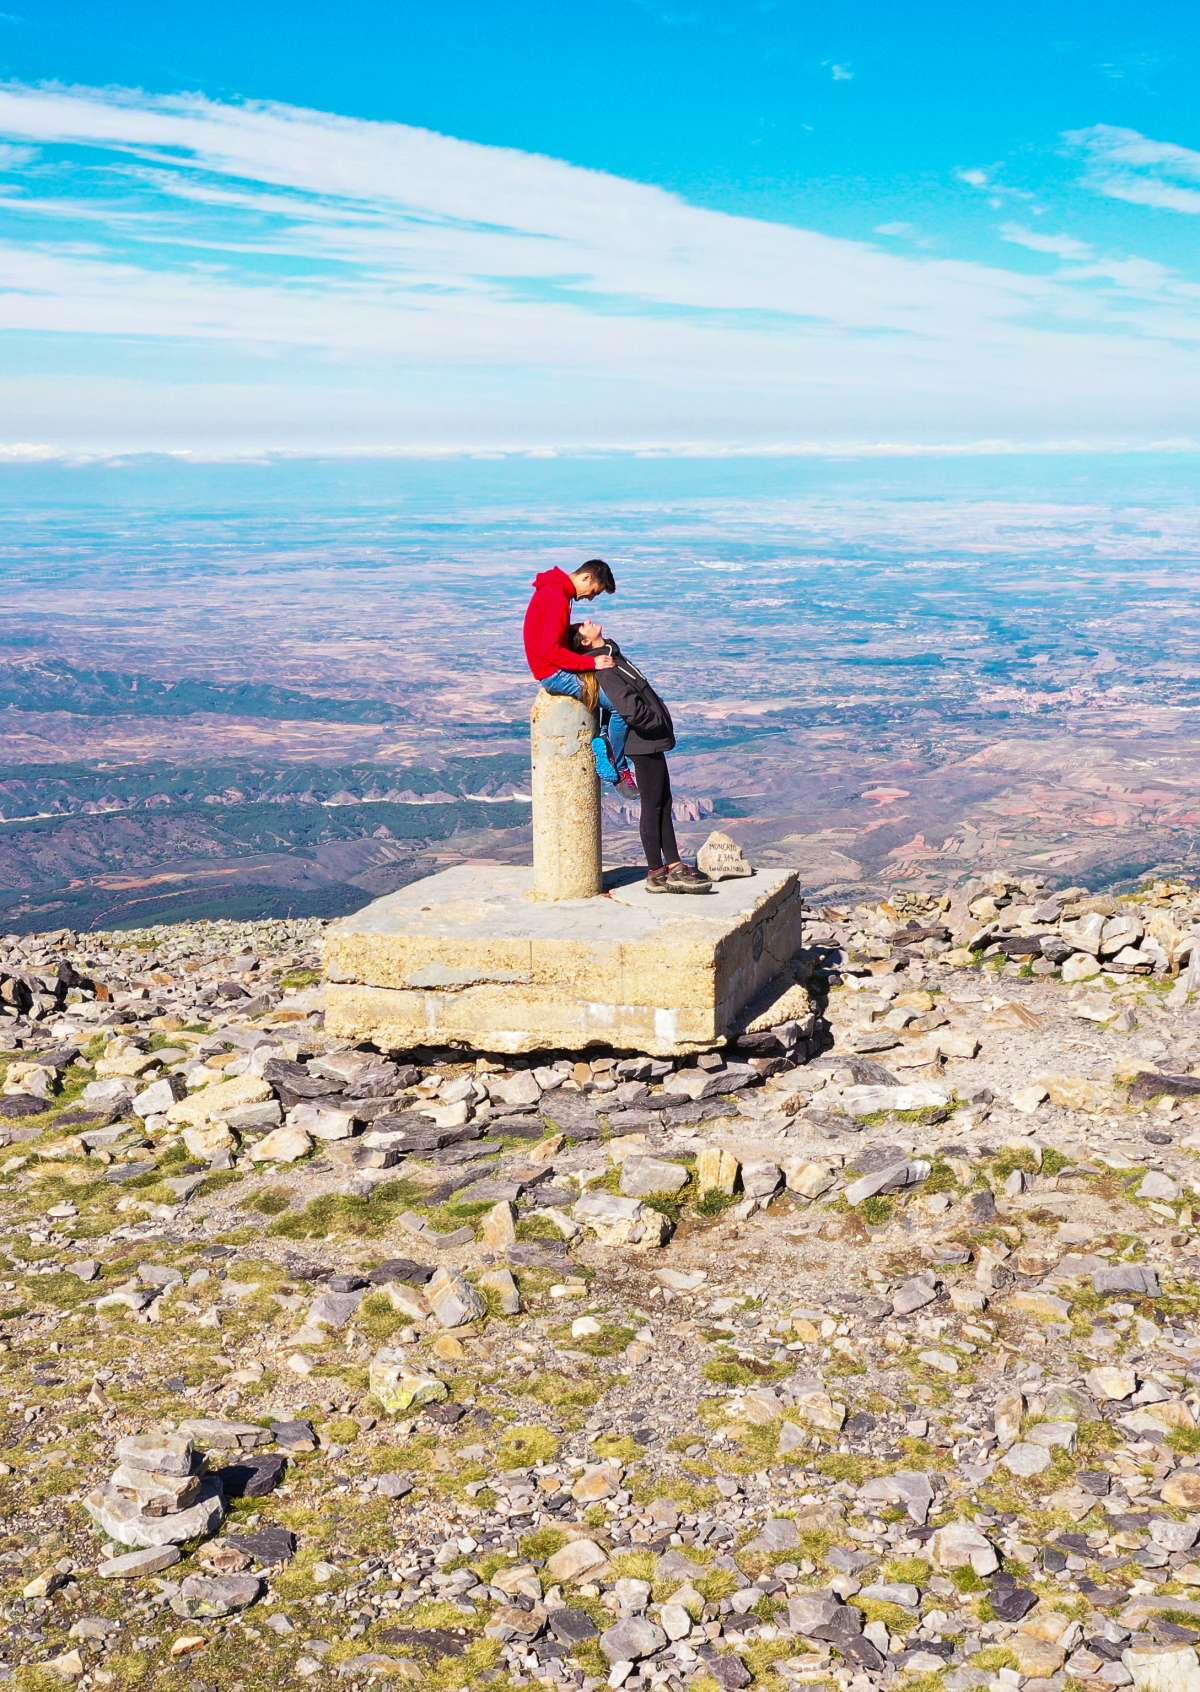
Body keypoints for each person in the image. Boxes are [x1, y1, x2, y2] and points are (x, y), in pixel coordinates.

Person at [576, 630, 711, 894]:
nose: (590, 622)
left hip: (647, 740)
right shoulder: (605, 669)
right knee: (653, 805)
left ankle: (672, 864)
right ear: (584, 642)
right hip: (642, 741)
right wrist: (654, 721)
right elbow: (627, 708)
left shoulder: (610, 657)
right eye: (584, 627)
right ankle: (657, 872)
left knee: (663, 801)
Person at [522, 558, 635, 789]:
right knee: (621, 705)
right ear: (586, 578)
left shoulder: (554, 591)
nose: (591, 598)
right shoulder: (557, 597)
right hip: (554, 674)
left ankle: (605, 741)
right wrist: (591, 663)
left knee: (612, 686)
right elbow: (550, 650)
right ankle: (618, 764)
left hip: (552, 668)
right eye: (594, 591)